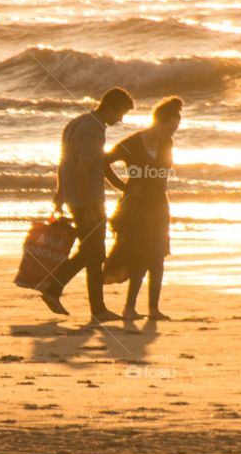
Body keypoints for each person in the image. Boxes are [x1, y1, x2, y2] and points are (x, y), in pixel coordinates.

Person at [38, 87, 134, 324]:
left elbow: (64, 163)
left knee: (93, 254)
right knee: (94, 253)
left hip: (74, 198)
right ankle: (53, 285)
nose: (120, 119)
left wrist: (60, 193)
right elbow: (82, 170)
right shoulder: (94, 130)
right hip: (87, 201)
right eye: (120, 113)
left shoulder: (76, 123)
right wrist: (91, 207)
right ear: (111, 107)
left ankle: (97, 309)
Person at [102, 95, 182, 322]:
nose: (172, 133)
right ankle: (129, 308)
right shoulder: (132, 143)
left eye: (175, 129)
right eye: (171, 127)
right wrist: (124, 188)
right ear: (160, 122)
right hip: (136, 208)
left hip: (159, 205)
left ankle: (154, 309)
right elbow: (103, 162)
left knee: (158, 256)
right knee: (140, 257)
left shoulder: (167, 143)